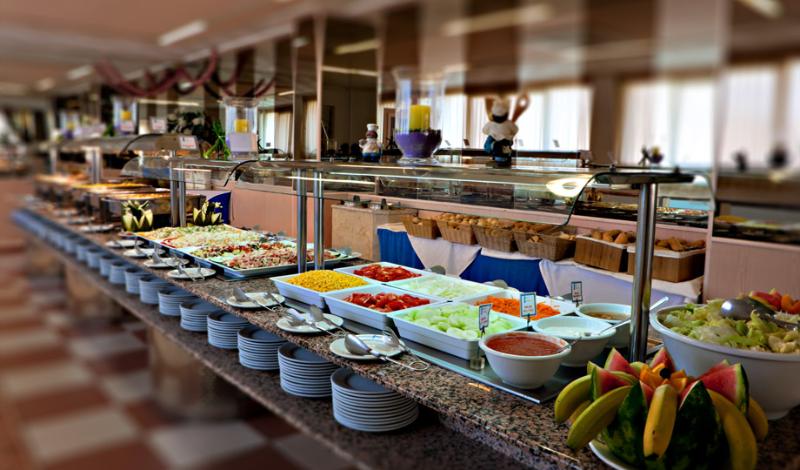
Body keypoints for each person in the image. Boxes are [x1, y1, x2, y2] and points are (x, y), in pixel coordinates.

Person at [482, 99, 518, 167]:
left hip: (494, 143)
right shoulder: (509, 123)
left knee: (488, 145)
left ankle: (493, 148)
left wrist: (492, 133)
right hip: (506, 145)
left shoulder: (491, 124)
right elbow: (515, 130)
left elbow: (484, 130)